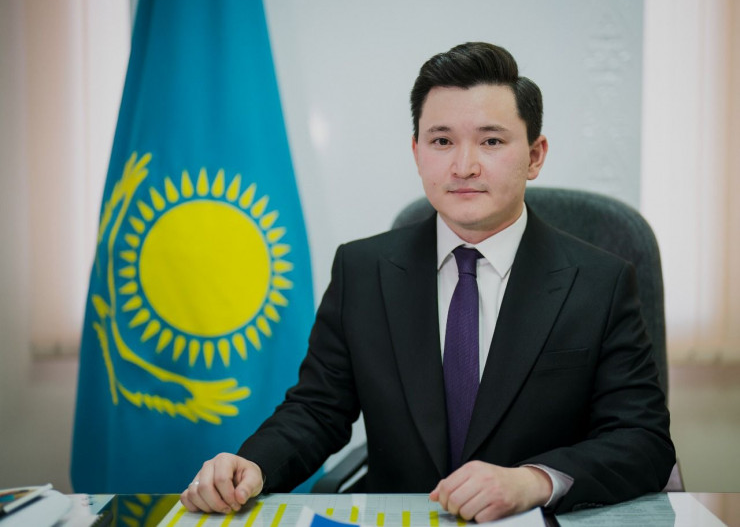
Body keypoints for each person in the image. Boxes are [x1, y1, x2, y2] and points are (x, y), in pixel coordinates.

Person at [180, 42, 675, 522]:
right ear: (417, 152)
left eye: (491, 141)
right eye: (441, 141)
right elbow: (317, 410)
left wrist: (533, 481)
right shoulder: (362, 270)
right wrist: (254, 464)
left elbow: (643, 441)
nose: (464, 166)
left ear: (535, 155)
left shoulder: (601, 282)